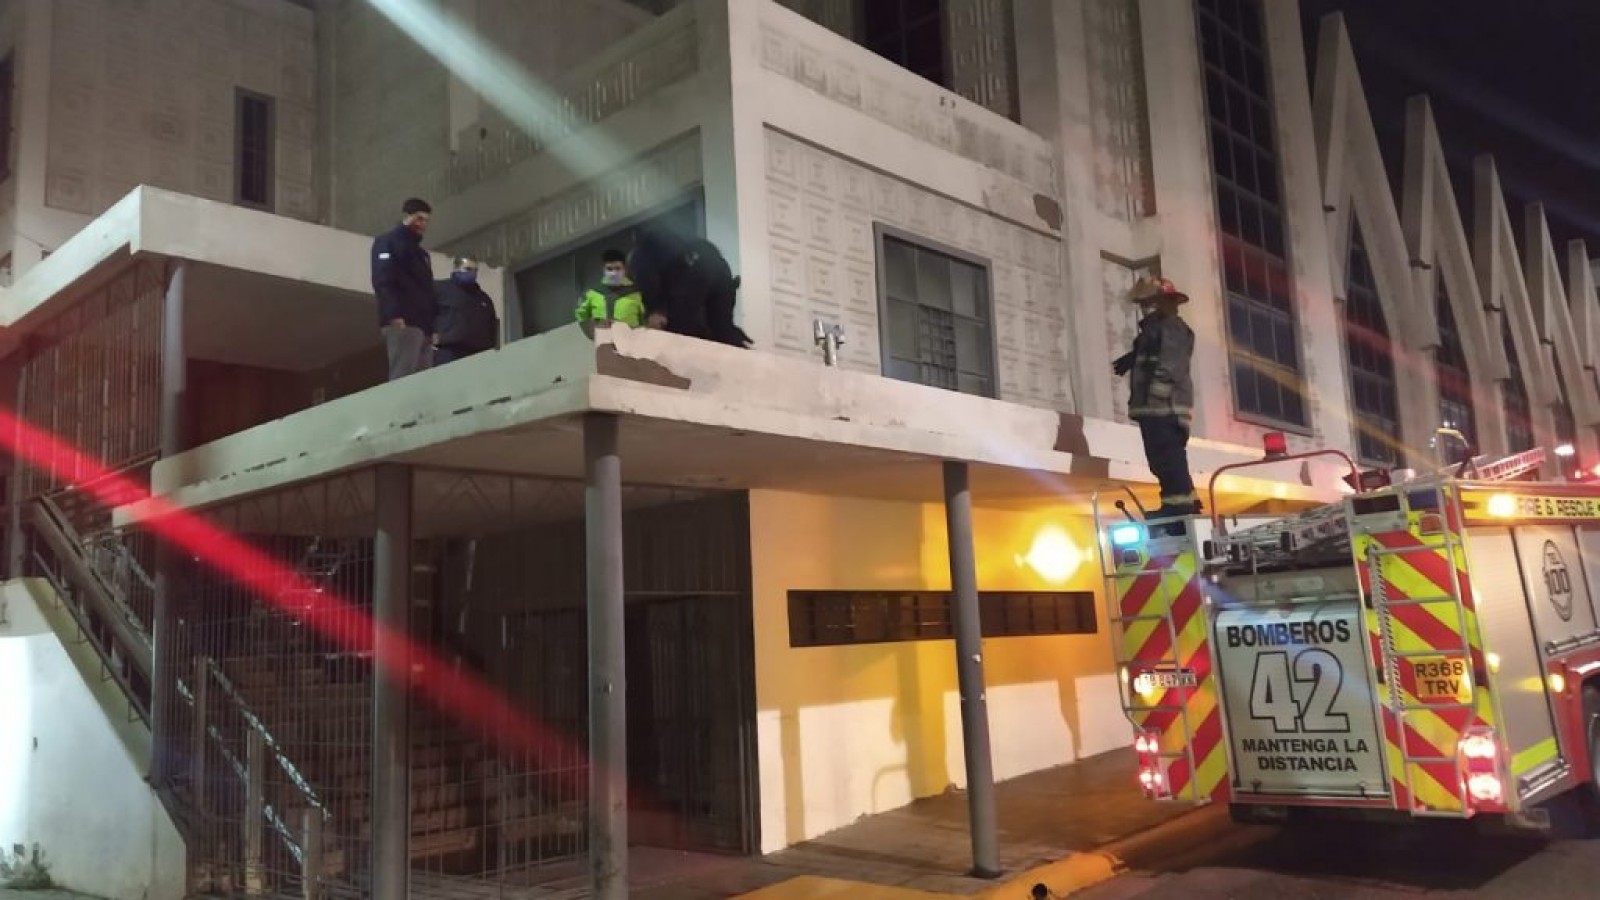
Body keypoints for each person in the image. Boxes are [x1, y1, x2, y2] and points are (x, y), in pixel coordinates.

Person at [1113, 276, 1197, 523]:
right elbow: (1154, 352)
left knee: (1167, 457)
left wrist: (1156, 396)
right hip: (1155, 409)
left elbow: (1171, 363)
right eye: (1143, 303)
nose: (1144, 308)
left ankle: (1179, 506)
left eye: (1148, 302)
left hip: (1164, 408)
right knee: (1163, 460)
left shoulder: (1171, 327)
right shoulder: (1156, 331)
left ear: (1162, 302)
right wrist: (1132, 358)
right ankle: (1183, 501)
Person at [627, 227, 753, 348]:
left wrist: (654, 310)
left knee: (677, 331)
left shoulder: (640, 257)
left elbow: (649, 281)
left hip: (694, 269)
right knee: (722, 328)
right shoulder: (672, 243)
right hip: (720, 268)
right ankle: (745, 355)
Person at [371, 198, 437, 380]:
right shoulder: (387, 242)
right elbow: (383, 279)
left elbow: (428, 291)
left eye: (425, 220)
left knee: (423, 379)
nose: (422, 224)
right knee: (403, 374)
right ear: (406, 216)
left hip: (422, 326)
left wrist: (431, 328)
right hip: (403, 321)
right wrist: (393, 314)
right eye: (418, 218)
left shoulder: (422, 254)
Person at [432, 257, 499, 365]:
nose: (472, 273)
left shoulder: (483, 299)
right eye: (468, 269)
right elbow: (422, 311)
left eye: (475, 270)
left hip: (479, 355)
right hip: (448, 352)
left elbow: (492, 327)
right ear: (456, 268)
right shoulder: (440, 289)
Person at [574, 248, 646, 334]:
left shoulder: (636, 293)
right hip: (604, 341)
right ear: (603, 270)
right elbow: (582, 316)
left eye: (617, 268)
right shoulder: (592, 293)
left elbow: (645, 319)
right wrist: (592, 332)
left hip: (631, 341)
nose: (613, 273)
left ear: (624, 269)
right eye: (609, 269)